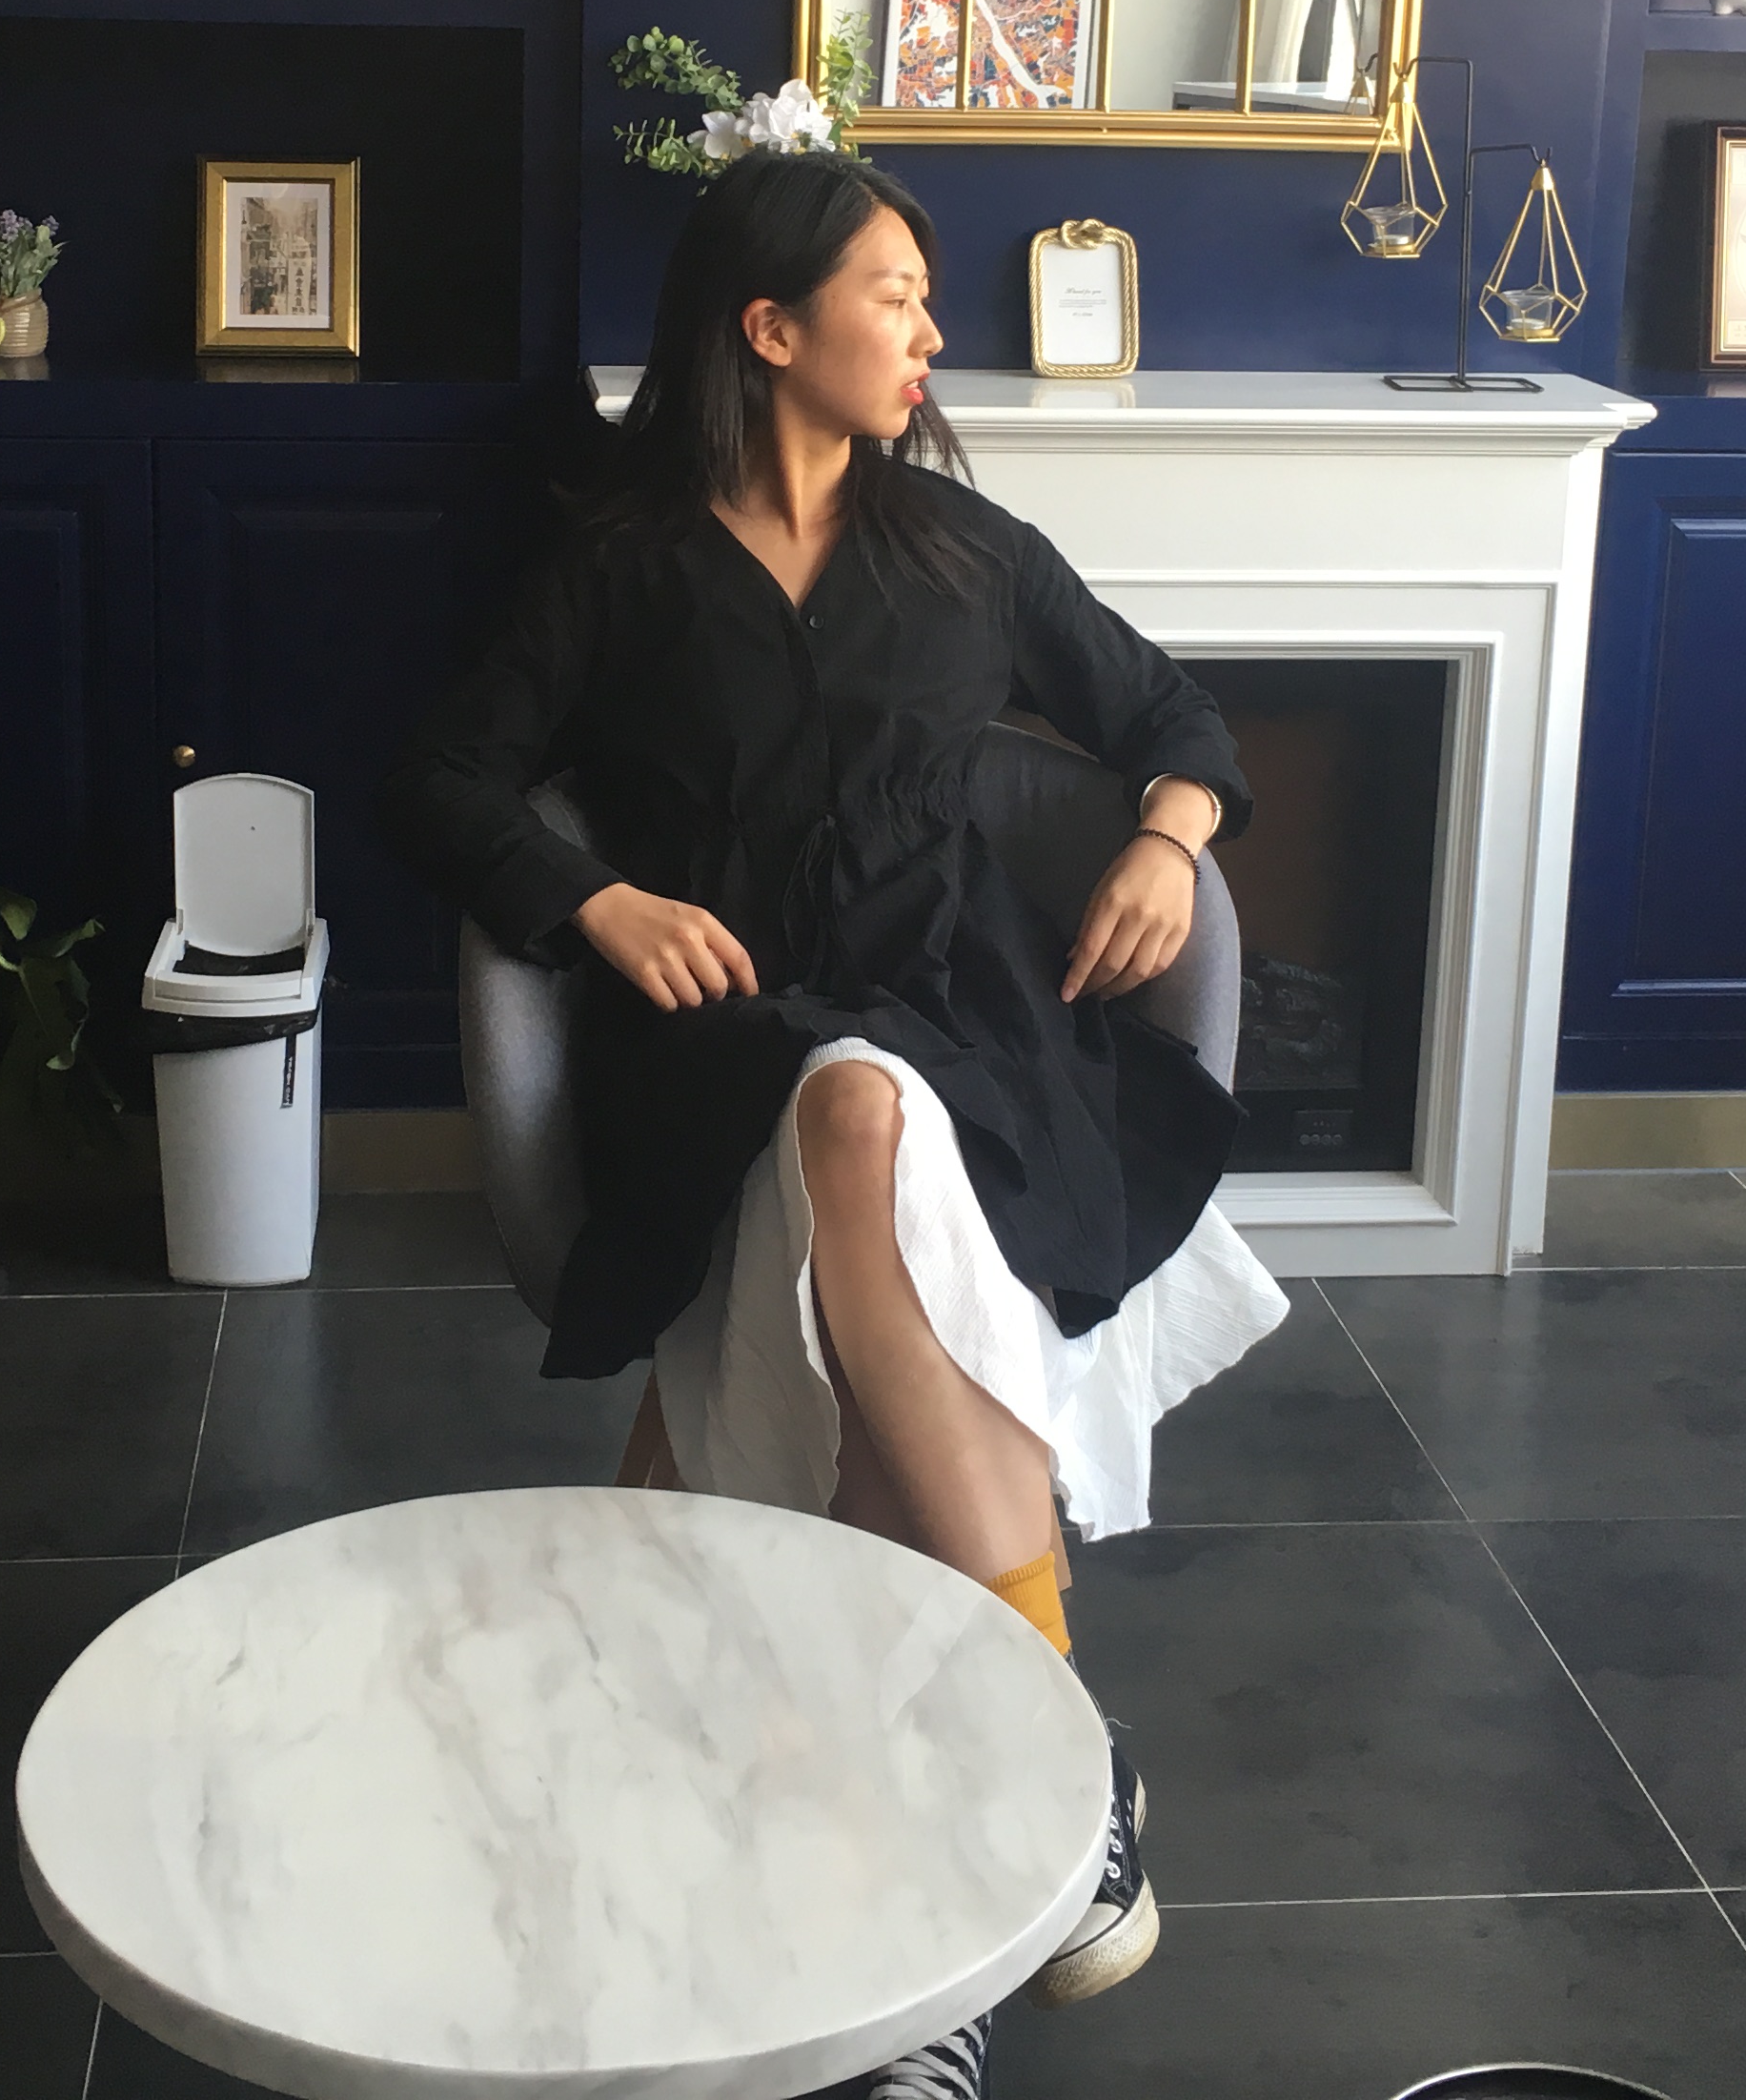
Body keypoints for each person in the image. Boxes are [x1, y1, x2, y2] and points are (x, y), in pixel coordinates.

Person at [382, 149, 1287, 2097]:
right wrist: (596, 901)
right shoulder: (616, 567)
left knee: (865, 1125)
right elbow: (440, 779)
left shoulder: (963, 552)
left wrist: (1168, 838)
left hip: (966, 1029)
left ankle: (902, 1958)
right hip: (714, 1050)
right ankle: (1045, 1785)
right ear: (771, 327)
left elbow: (1177, 716)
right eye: (897, 292)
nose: (932, 330)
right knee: (837, 1111)